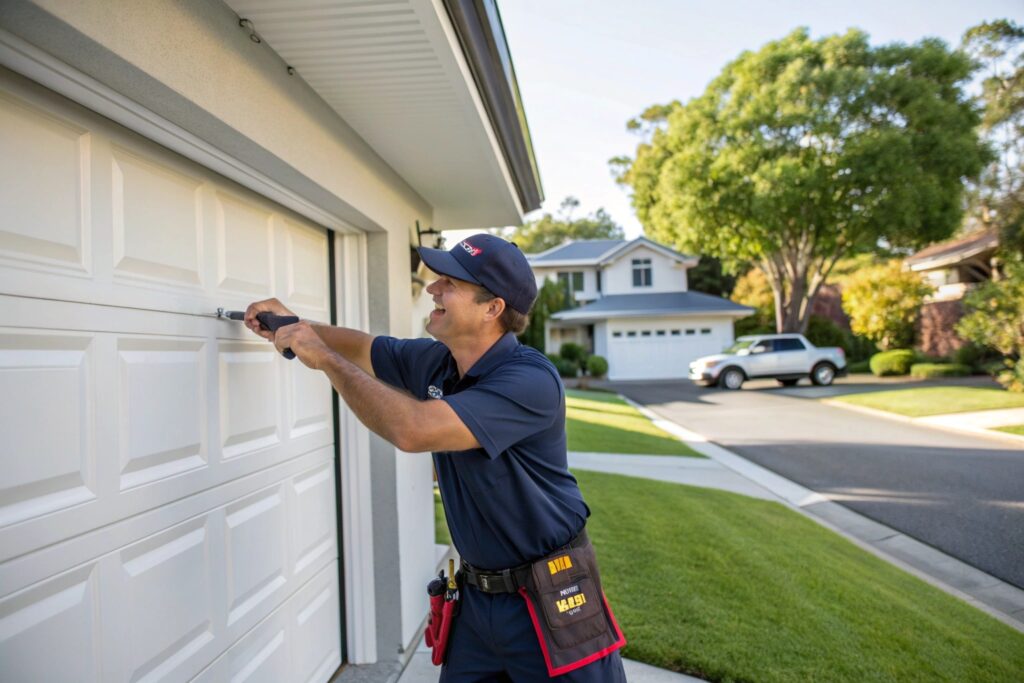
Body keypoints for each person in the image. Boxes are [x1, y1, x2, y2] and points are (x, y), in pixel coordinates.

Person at [245, 233, 626, 682]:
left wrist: (324, 359)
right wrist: (293, 325)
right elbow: (364, 346)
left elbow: (413, 430)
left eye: (449, 282)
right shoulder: (436, 362)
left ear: (493, 308)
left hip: (551, 596)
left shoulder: (529, 380)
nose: (432, 289)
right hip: (477, 600)